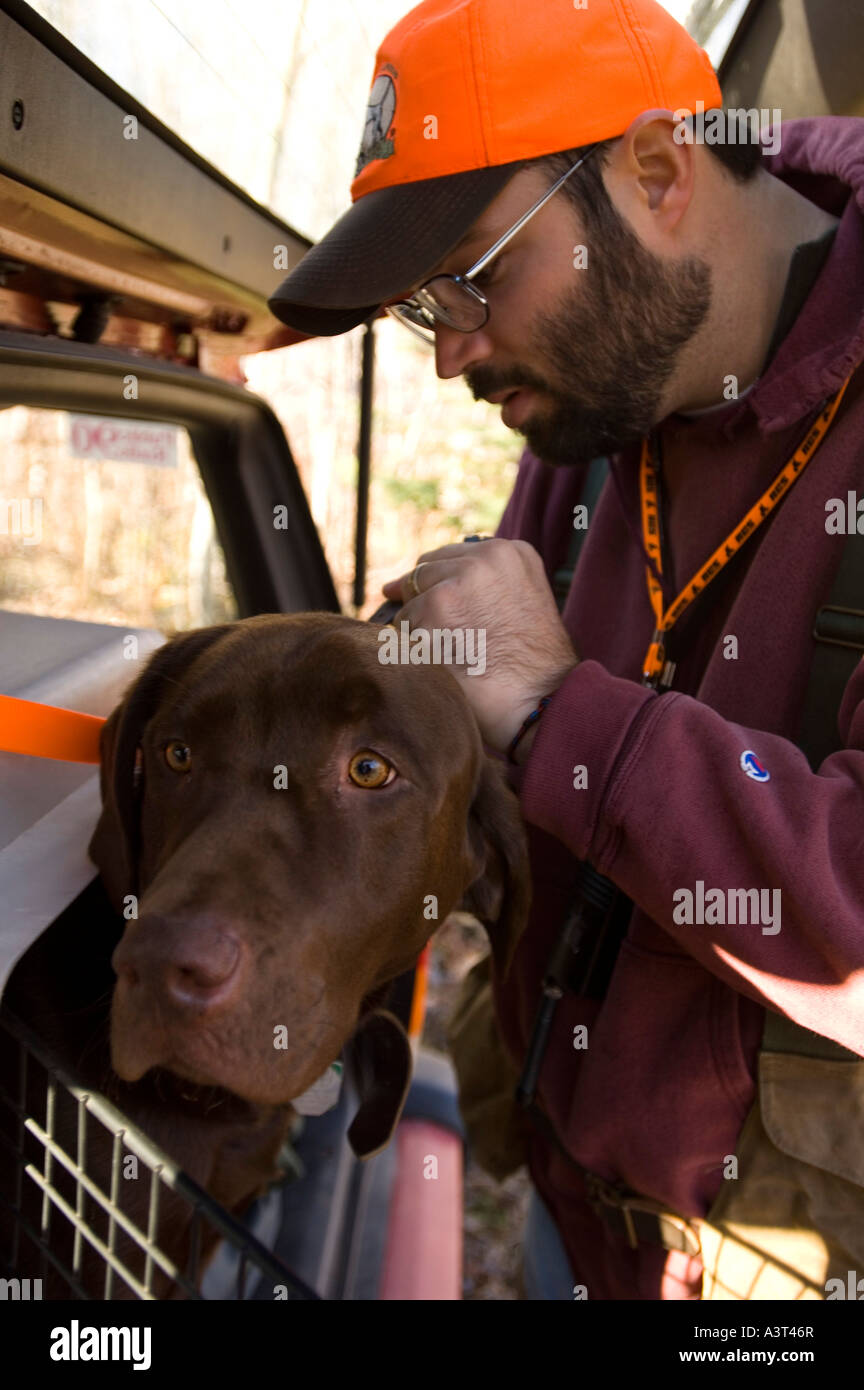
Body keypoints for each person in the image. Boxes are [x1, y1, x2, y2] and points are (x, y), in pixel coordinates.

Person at [268, 0, 864, 1301]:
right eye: (428, 311)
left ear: (658, 170)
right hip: (569, 1216)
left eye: (474, 278)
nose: (454, 356)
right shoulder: (603, 412)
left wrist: (549, 709)